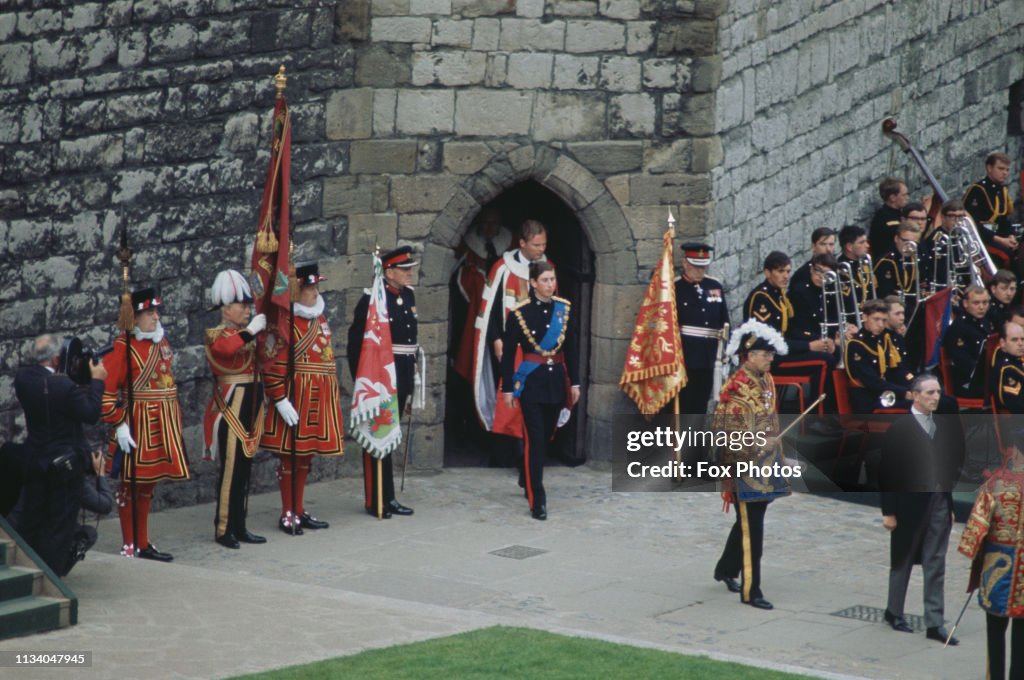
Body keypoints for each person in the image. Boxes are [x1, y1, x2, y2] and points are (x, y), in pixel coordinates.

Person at [101, 288, 190, 560]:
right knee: (130, 485)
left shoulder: (160, 342)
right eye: (149, 313)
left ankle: (143, 541)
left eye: (156, 312)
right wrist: (119, 425)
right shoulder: (122, 348)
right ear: (134, 317)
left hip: (161, 421)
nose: (155, 317)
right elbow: (105, 395)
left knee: (148, 485)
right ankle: (130, 543)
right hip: (137, 423)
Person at [10, 334, 106, 575]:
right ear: (56, 358)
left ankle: (25, 568)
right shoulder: (65, 387)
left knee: (32, 518)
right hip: (64, 466)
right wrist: (96, 382)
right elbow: (91, 413)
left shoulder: (22, 379)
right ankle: (50, 576)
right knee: (59, 525)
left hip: (35, 459)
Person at [880, 374, 964, 645]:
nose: (935, 397)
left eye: (938, 392)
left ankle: (934, 622)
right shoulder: (900, 428)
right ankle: (894, 611)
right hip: (908, 505)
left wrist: (948, 499)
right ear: (915, 395)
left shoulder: (942, 425)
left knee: (936, 562)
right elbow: (887, 472)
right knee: (903, 560)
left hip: (938, 500)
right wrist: (889, 511)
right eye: (929, 393)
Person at [711, 319, 790, 610]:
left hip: (765, 462)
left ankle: (725, 569)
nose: (770, 359)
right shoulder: (736, 387)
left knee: (749, 520)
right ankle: (751, 590)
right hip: (742, 463)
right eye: (765, 355)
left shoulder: (766, 379)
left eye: (771, 355)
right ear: (749, 355)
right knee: (753, 529)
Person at [260, 262, 343, 535]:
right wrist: (280, 398)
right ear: (297, 290)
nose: (316, 292)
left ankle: (299, 508)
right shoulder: (286, 324)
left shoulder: (319, 318)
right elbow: (273, 364)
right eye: (311, 287)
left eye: (316, 286)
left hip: (317, 397)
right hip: (296, 397)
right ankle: (287, 511)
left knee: (306, 457)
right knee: (290, 458)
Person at [500, 261, 580, 520]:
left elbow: (571, 349)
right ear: (533, 283)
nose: (550, 284)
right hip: (532, 384)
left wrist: (575, 383)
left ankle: (526, 474)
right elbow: (509, 353)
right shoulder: (519, 313)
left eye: (552, 279)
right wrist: (508, 389)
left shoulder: (563, 310)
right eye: (544, 280)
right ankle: (538, 498)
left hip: (555, 382)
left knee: (545, 437)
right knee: (534, 440)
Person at [347, 246, 419, 519]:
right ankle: (375, 498)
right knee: (377, 434)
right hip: (380, 378)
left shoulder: (408, 295)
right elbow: (357, 346)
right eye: (404, 269)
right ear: (389, 272)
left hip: (401, 374)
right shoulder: (371, 301)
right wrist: (365, 383)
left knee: (391, 435)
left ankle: (389, 496)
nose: (410, 272)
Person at [203, 270, 268, 549]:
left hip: (250, 402)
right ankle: (223, 527)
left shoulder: (245, 333)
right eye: (241, 306)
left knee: (244, 467)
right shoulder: (216, 334)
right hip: (230, 404)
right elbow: (226, 350)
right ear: (226, 309)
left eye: (247, 305)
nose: (246, 310)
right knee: (230, 469)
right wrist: (251, 330)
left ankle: (240, 525)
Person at [472, 219, 551, 436]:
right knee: (508, 396)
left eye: (544, 245)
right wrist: (497, 339)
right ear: (522, 243)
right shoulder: (502, 268)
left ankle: (529, 446)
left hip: (538, 348)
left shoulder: (547, 267)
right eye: (537, 245)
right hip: (509, 344)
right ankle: (506, 448)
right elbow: (491, 309)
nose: (542, 250)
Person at [958, 431, 1024, 679]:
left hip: (998, 567)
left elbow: (973, 537)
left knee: (995, 635)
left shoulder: (996, 483)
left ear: (1015, 450)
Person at [744, 251, 833, 409]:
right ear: (767, 272)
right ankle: (818, 417)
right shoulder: (762, 298)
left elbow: (790, 331)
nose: (786, 276)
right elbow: (767, 341)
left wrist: (817, 340)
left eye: (788, 271)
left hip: (781, 351)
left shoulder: (778, 295)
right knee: (824, 361)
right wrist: (808, 347)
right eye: (780, 271)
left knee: (829, 351)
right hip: (768, 358)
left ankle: (832, 410)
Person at [452, 207, 512, 384]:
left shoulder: (509, 244)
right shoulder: (468, 247)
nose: (489, 228)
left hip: (501, 309)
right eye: (486, 223)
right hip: (473, 306)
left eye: (493, 223)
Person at [672, 242, 729, 414]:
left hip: (709, 355)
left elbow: (724, 320)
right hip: (686, 356)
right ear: (685, 263)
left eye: (703, 267)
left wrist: (725, 351)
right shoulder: (675, 288)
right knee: (684, 404)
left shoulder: (714, 286)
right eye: (696, 267)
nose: (700, 272)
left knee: (701, 403)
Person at [844, 299, 916, 413]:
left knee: (940, 400)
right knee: (921, 405)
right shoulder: (856, 345)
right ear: (865, 317)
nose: (881, 325)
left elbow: (893, 371)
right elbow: (872, 381)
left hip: (886, 394)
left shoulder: (883, 341)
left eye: (884, 320)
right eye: (876, 319)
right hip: (870, 400)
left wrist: (915, 387)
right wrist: (903, 392)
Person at [963, 151, 1017, 269]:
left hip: (998, 234)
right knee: (1005, 255)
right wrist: (1000, 240)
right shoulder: (977, 190)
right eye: (1001, 168)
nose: (1005, 173)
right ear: (989, 168)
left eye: (1007, 170)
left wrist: (1011, 236)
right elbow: (972, 223)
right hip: (981, 238)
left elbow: (1003, 219)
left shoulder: (1001, 190)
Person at [943, 284, 994, 400]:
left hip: (986, 377)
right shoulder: (959, 328)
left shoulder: (984, 321)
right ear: (965, 303)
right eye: (976, 303)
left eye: (985, 303)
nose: (981, 307)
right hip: (968, 384)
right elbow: (965, 365)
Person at [869, 177, 910, 256]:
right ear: (892, 198)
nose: (907, 198)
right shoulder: (884, 218)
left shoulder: (899, 213)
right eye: (904, 195)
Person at [991, 321, 1024, 414]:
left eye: (1023, 339)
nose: (1020, 344)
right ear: (1003, 343)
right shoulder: (1006, 369)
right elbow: (1015, 404)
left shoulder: (1016, 360)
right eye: (1014, 340)